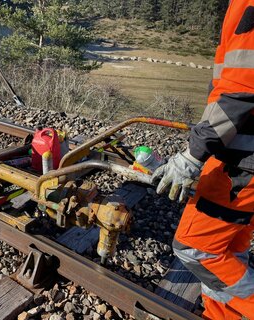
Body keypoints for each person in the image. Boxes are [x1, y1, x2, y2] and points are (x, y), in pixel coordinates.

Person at [152, 1, 254, 319]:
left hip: (240, 160)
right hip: (239, 153)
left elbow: (239, 92)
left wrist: (192, 155)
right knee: (230, 251)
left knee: (196, 249)